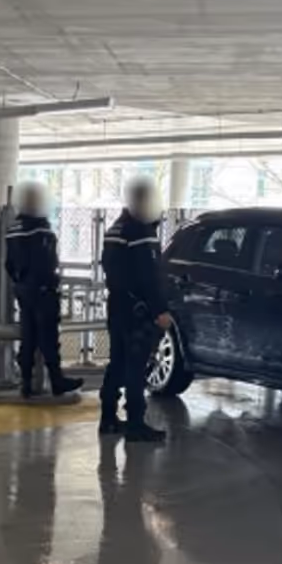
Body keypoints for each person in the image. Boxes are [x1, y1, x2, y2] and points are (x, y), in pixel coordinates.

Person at [99, 175, 172, 442]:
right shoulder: (141, 233)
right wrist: (159, 310)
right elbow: (149, 277)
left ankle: (108, 418)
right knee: (136, 365)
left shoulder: (115, 229)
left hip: (117, 306)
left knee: (117, 362)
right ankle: (135, 424)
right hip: (137, 310)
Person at [4, 183, 84, 400]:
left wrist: (21, 281)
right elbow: (48, 262)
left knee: (28, 335)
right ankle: (57, 380)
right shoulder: (42, 229)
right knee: (48, 336)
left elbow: (9, 264)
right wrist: (50, 283)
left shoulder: (13, 229)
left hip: (23, 289)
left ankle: (26, 383)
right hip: (43, 290)